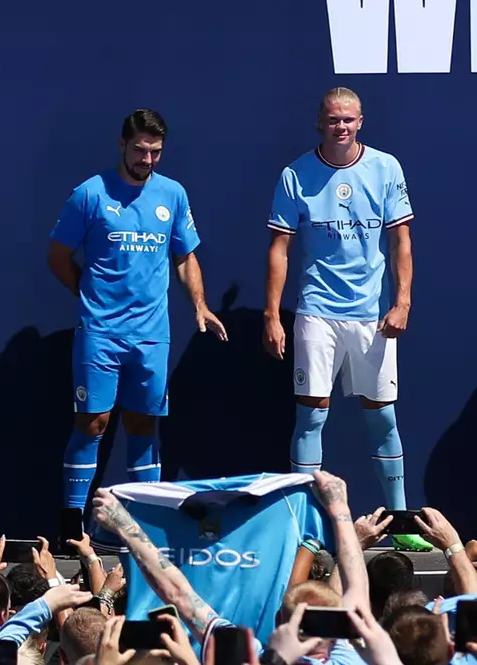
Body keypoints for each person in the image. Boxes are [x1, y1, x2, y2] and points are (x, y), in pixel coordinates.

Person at [262, 87, 427, 552]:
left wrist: (403, 302)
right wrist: (272, 315)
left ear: (361, 121)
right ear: (320, 121)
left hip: (371, 317)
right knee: (310, 417)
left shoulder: (385, 167)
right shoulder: (296, 174)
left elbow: (401, 241)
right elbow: (279, 249)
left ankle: (399, 518)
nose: (341, 127)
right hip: (316, 313)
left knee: (383, 418)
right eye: (334, 119)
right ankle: (304, 525)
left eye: (349, 120)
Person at [48, 109, 227, 509]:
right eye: (140, 150)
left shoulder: (172, 194)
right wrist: (89, 296)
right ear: (122, 144)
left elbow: (184, 256)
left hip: (151, 335)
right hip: (100, 333)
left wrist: (199, 304)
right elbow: (58, 255)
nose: (146, 160)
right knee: (92, 423)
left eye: (155, 152)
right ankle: (72, 522)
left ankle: (145, 519)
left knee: (144, 425)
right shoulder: (90, 194)